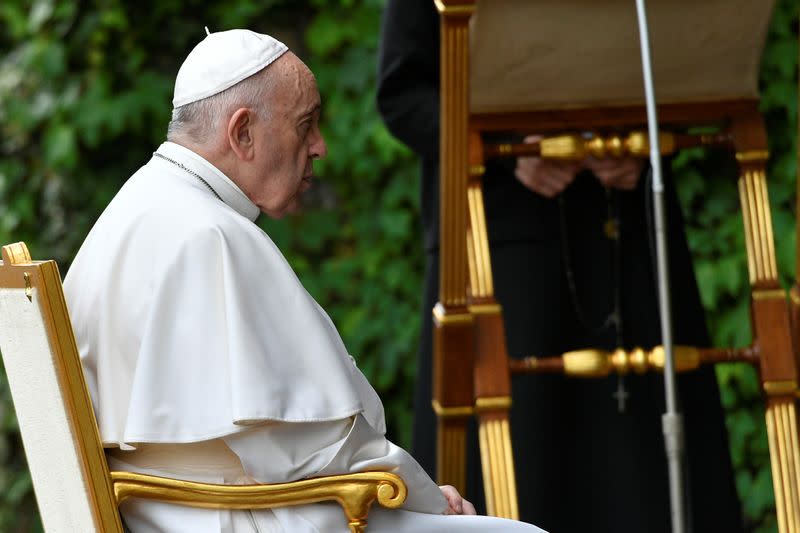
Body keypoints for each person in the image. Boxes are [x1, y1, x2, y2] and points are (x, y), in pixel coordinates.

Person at [63, 28, 546, 533]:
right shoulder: (213, 236)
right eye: (306, 125)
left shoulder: (136, 206)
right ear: (242, 132)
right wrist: (426, 499)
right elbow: (320, 453)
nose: (320, 148)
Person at [376, 1, 744, 532]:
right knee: (529, 447)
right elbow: (403, 93)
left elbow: (679, 54)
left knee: (639, 458)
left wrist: (643, 142)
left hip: (622, 226)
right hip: (503, 236)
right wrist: (506, 147)